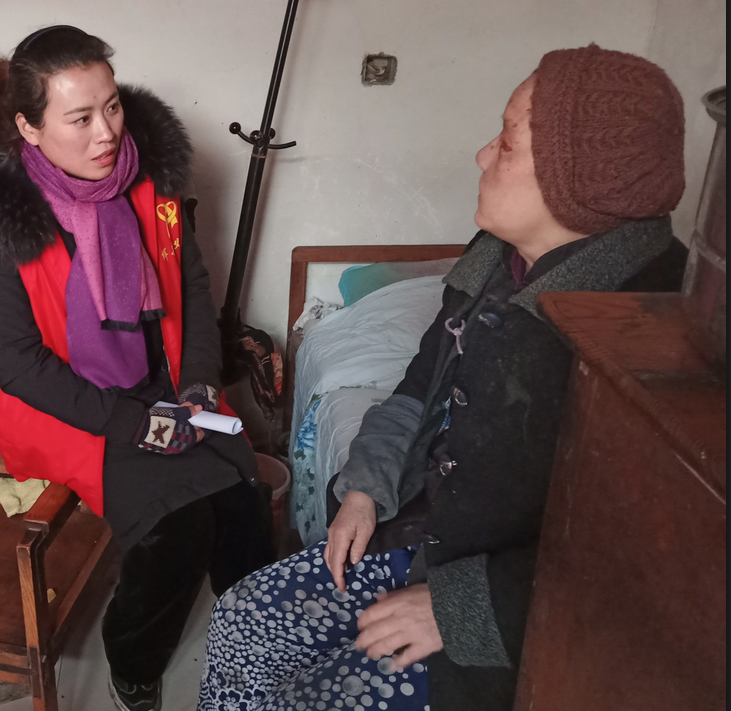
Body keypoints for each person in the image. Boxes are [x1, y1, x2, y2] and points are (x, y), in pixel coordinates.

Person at [198, 44, 689, 711]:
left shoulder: (648, 331)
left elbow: (645, 565)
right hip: (425, 539)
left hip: (510, 608)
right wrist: (366, 488)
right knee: (240, 621)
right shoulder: (494, 260)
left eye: (507, 143)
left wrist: (462, 609)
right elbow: (418, 387)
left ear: (582, 177)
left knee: (304, 700)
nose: (482, 156)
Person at [0, 25, 274, 711]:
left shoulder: (147, 180)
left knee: (243, 497)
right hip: (76, 407)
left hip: (166, 380)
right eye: (80, 118)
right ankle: (135, 665)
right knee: (178, 526)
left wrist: (198, 383)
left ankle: (256, 641)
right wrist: (136, 424)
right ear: (29, 128)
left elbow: (191, 286)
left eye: (112, 106)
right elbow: (19, 366)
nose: (107, 133)